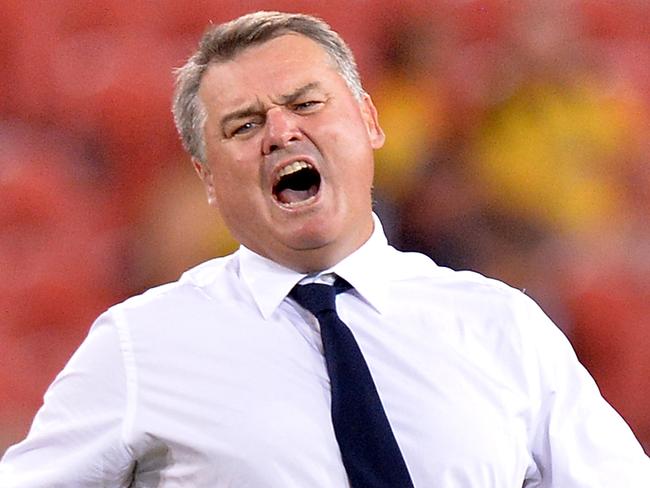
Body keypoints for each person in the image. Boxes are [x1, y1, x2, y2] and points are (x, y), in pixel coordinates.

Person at [1, 11, 649, 487]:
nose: (282, 131)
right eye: (243, 124)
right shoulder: (140, 346)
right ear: (206, 176)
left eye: (308, 103)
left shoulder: (501, 325)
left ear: (370, 121)